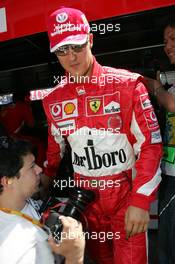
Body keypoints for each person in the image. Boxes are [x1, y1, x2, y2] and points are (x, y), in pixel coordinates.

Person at [41, 7, 162, 264]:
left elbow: (151, 146)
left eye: (77, 46)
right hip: (87, 204)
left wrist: (140, 202)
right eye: (62, 50)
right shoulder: (53, 100)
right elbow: (54, 152)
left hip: (125, 202)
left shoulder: (128, 85)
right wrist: (42, 180)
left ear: (91, 40)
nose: (71, 57)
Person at [0, 137, 85, 264]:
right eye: (32, 166)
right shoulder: (17, 247)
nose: (39, 170)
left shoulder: (21, 201)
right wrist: (74, 257)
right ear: (8, 181)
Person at [146, 16, 175, 264]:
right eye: (166, 41)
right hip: (171, 174)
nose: (168, 46)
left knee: (166, 247)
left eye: (173, 38)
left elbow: (173, 104)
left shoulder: (166, 88)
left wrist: (151, 85)